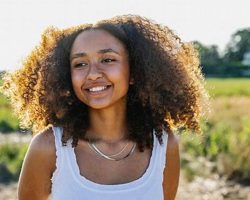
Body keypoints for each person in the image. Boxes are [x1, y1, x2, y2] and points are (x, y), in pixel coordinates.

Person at [1, 15, 208, 200]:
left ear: (135, 71)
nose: (92, 74)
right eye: (80, 64)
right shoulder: (48, 147)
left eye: (108, 59)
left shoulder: (163, 144)